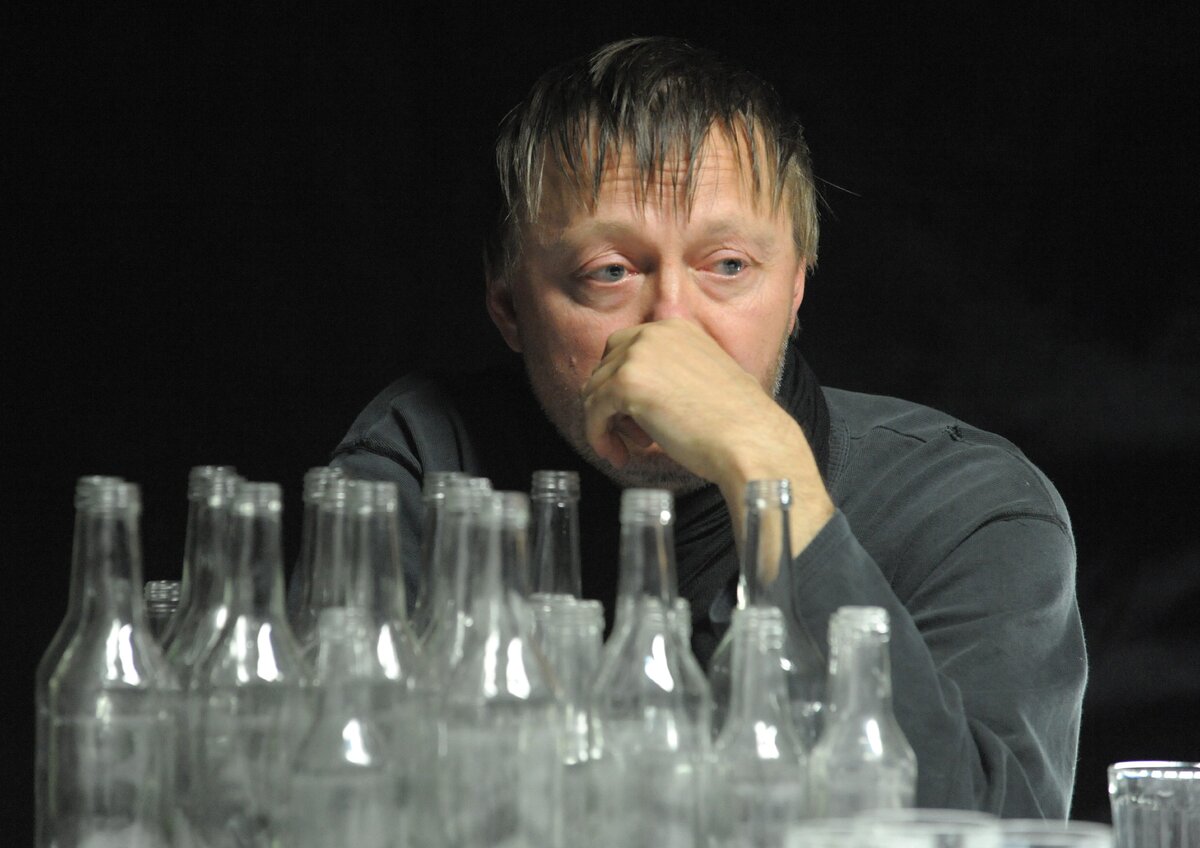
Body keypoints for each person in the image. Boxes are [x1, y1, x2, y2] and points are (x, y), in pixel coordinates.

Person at [332, 36, 1086, 818]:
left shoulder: (964, 509)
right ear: (509, 308)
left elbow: (981, 828)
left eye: (727, 266)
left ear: (795, 288)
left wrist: (768, 468)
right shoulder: (426, 462)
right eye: (609, 271)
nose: (673, 328)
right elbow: (325, 796)